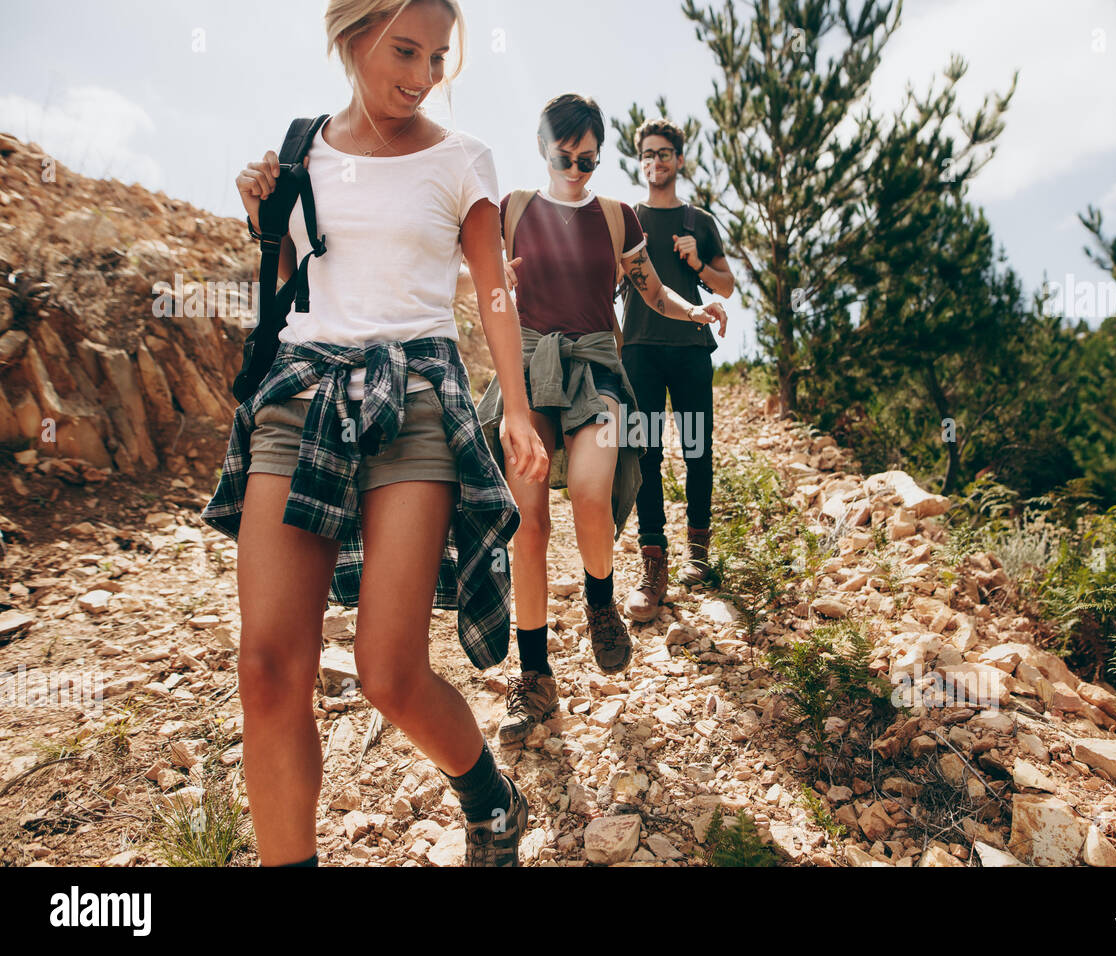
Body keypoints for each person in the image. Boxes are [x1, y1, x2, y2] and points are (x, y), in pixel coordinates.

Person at [201, 0, 549, 867]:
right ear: (350, 35)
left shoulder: (464, 159)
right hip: (301, 393)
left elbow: (493, 289)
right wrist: (262, 221)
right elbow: (291, 284)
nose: (423, 74)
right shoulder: (299, 150)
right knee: (268, 668)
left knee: (388, 672)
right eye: (405, 50)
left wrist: (514, 403)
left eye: (437, 57)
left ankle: (489, 794)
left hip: (417, 391)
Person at [476, 94, 727, 746]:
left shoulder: (617, 218)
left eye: (589, 157)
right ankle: (535, 678)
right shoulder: (513, 211)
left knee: (592, 492)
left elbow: (652, 291)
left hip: (599, 372)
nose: (578, 167)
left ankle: (599, 600)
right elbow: (469, 277)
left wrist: (694, 310)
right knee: (527, 524)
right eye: (566, 154)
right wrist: (492, 278)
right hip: (528, 370)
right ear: (544, 146)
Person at [620, 119, 735, 623]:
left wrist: (697, 266)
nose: (656, 161)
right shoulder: (626, 219)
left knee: (697, 450)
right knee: (643, 453)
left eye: (664, 153)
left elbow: (727, 286)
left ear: (679, 160)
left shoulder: (699, 220)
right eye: (647, 154)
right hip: (639, 351)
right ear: (639, 161)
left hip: (690, 348)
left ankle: (700, 555)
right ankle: (653, 562)